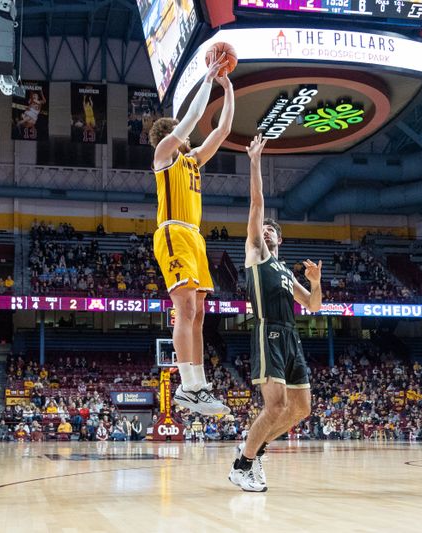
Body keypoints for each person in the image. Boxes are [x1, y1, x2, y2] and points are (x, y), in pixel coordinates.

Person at [228, 135, 323, 492]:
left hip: (291, 336)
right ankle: (243, 465)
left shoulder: (286, 272)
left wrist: (314, 282)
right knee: (276, 404)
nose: (265, 229)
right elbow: (257, 202)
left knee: (301, 409)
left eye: (271, 229)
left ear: (279, 239)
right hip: (267, 331)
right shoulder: (256, 254)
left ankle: (254, 447)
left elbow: (312, 306)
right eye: (263, 228)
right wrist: (255, 160)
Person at [148, 50, 234, 416]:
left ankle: (198, 387)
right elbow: (194, 116)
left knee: (198, 313)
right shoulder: (164, 154)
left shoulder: (193, 161)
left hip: (195, 238)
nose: (186, 133)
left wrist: (227, 87)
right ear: (170, 135)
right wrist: (208, 77)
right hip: (173, 233)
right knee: (184, 308)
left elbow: (223, 129)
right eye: (179, 130)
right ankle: (186, 384)